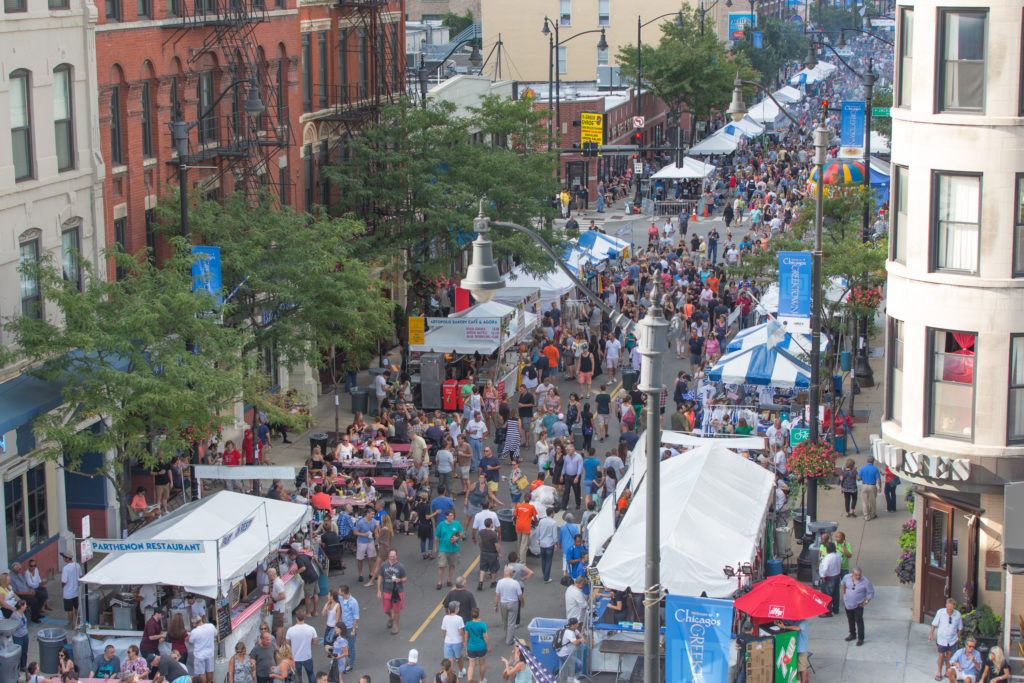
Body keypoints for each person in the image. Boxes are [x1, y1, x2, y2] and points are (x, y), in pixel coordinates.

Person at [930, 598, 964, 681]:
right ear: (946, 606)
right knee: (941, 655)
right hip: (942, 639)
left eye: (951, 607)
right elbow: (934, 624)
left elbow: (960, 628)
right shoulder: (941, 612)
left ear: (954, 607)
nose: (949, 609)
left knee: (949, 656)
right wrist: (931, 633)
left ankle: (947, 671)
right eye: (948, 607)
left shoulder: (957, 615)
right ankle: (939, 672)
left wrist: (957, 638)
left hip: (952, 639)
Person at [840, 567, 874, 646]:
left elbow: (871, 593)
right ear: (852, 574)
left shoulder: (865, 582)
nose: (858, 577)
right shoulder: (847, 577)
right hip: (848, 603)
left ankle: (860, 638)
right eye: (856, 575)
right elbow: (843, 584)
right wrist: (844, 594)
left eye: (859, 575)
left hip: (858, 605)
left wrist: (865, 602)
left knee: (859, 621)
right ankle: (852, 634)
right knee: (850, 619)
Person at [378, 550, 408, 635]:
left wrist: (400, 580)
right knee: (386, 609)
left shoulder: (400, 566)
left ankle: (395, 625)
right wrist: (378, 590)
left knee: (396, 610)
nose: (392, 558)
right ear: (388, 556)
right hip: (386, 591)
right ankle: (391, 617)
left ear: (396, 556)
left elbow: (405, 578)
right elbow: (380, 576)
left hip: (397, 592)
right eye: (390, 556)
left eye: (393, 556)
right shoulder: (384, 565)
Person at [285, 609, 318, 683]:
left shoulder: (290, 630)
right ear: (304, 617)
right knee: (311, 674)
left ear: (296, 618)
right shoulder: (311, 629)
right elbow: (315, 642)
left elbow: (287, 644)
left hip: (295, 658)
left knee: (298, 677)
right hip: (307, 656)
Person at [435, 509, 465, 590]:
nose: (452, 517)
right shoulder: (441, 525)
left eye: (453, 515)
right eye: (450, 516)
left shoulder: (456, 523)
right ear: (446, 516)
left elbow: (462, 533)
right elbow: (436, 536)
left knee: (452, 564)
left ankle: (449, 579)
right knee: (442, 565)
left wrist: (457, 537)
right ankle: (439, 581)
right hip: (443, 548)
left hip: (454, 548)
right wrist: (435, 547)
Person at [494, 567, 523, 645]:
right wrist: (522, 602)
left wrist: (495, 605)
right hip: (513, 603)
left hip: (503, 603)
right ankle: (509, 640)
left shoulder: (500, 582)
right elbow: (520, 595)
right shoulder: (515, 583)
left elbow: (497, 595)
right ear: (510, 573)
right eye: (513, 572)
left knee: (505, 621)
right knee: (511, 622)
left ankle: (507, 635)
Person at [288, 548, 321, 616]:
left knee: (307, 596)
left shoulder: (298, 559)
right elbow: (311, 558)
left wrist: (295, 572)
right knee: (315, 594)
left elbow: (303, 568)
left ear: (292, 555)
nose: (289, 558)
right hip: (314, 575)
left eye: (289, 556)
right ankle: (315, 611)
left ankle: (308, 613)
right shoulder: (303, 555)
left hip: (308, 579)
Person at [189, 614, 218, 683]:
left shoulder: (195, 632)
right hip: (210, 652)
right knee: (210, 670)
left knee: (201, 673)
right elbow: (216, 633)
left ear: (194, 623)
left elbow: (190, 641)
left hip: (199, 655)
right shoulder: (211, 626)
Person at [337, 585, 359, 672]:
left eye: (339, 590)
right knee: (340, 644)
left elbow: (356, 617)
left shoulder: (353, 602)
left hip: (350, 627)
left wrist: (353, 630)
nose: (338, 592)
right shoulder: (341, 598)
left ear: (343, 592)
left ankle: (350, 664)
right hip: (342, 626)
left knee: (351, 646)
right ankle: (339, 659)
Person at [440, 601, 465, 677]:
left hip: (448, 642)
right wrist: (464, 642)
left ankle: (451, 676)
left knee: (449, 660)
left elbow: (443, 630)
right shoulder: (459, 619)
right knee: (459, 657)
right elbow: (461, 632)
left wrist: (445, 639)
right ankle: (461, 672)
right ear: (456, 609)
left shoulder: (445, 618)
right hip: (457, 642)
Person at [476, 517, 502, 590]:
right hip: (492, 553)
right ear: (491, 524)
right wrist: (499, 553)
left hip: (483, 552)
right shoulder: (493, 534)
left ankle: (481, 582)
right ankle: (493, 582)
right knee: (494, 568)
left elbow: (479, 541)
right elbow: (496, 545)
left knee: (483, 568)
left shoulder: (481, 532)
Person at [353, 508, 377, 584]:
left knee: (371, 557)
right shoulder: (361, 522)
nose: (373, 516)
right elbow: (355, 532)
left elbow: (375, 530)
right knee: (360, 558)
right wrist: (363, 534)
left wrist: (377, 538)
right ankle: (360, 574)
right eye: (371, 514)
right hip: (361, 542)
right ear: (367, 514)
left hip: (370, 541)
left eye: (373, 514)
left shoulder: (374, 521)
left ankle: (371, 572)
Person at [817, 542, 841, 617]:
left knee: (827, 594)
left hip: (829, 577)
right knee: (836, 593)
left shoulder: (827, 558)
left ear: (827, 550)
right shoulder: (838, 556)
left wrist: (823, 576)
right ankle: (836, 609)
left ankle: (828, 611)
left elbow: (825, 569)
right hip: (836, 576)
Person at [536, 510, 559, 583]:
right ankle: (546, 577)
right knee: (549, 560)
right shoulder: (553, 523)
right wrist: (555, 544)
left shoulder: (541, 521)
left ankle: (544, 574)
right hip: (549, 544)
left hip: (542, 543)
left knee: (543, 559)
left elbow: (538, 531)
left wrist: (538, 539)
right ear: (551, 514)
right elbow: (554, 535)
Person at [60, 551, 81, 627]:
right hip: (76, 591)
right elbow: (80, 576)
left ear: (66, 558)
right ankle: (78, 622)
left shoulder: (65, 568)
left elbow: (64, 581)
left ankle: (71, 623)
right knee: (76, 607)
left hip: (68, 593)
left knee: (69, 609)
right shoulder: (77, 565)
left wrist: (62, 586)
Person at [267, 567, 288, 646]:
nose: (267, 576)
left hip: (278, 608)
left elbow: (283, 595)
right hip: (280, 607)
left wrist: (274, 600)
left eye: (268, 574)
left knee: (278, 626)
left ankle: (278, 644)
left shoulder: (276, 583)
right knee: (280, 625)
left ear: (271, 575)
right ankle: (281, 642)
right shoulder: (278, 581)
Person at [857, 455, 881, 520]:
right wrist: (880, 487)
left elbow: (858, 478)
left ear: (867, 461)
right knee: (872, 501)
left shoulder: (862, 468)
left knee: (865, 502)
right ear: (873, 461)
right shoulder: (875, 469)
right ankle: (873, 514)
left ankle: (866, 516)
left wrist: (863, 478)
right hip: (872, 486)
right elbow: (878, 479)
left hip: (864, 486)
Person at [512, 497, 536, 562]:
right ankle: (522, 562)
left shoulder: (518, 506)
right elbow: (535, 516)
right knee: (524, 545)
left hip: (518, 526)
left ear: (524, 500)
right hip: (526, 527)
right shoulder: (531, 507)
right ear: (529, 501)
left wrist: (515, 521)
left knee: (519, 542)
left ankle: (518, 557)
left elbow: (514, 516)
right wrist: (536, 522)